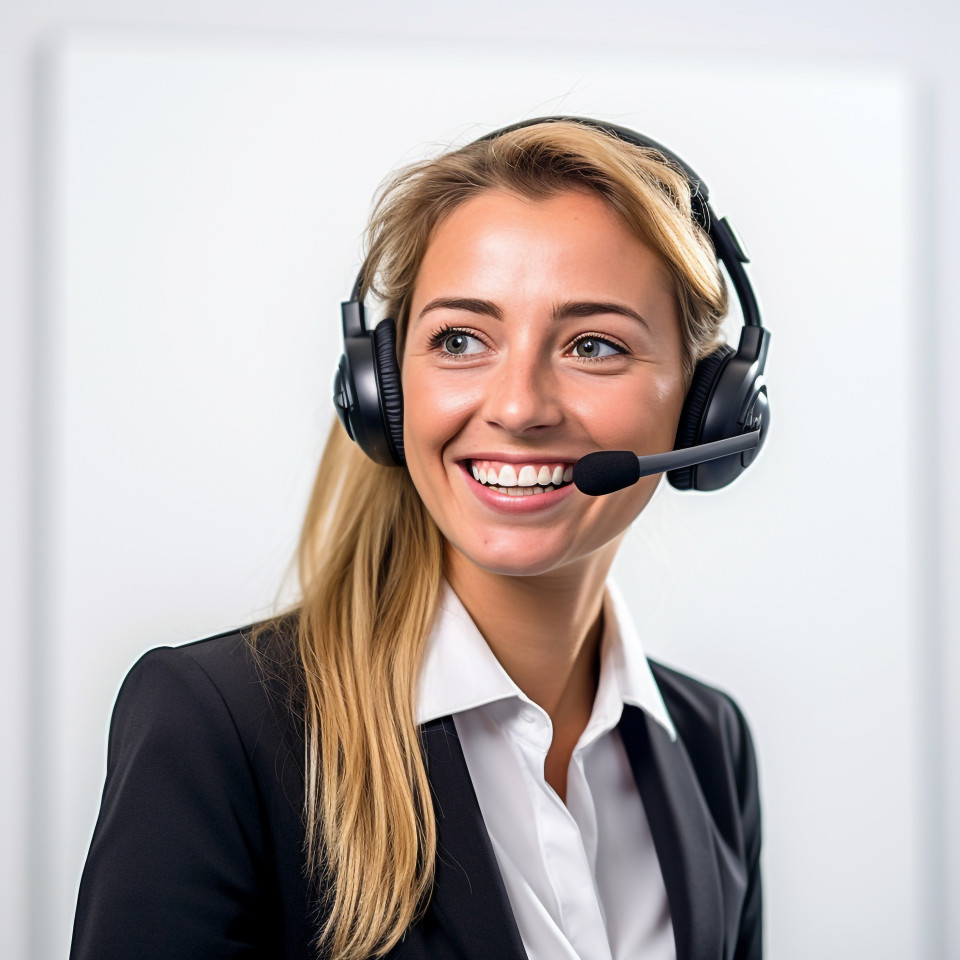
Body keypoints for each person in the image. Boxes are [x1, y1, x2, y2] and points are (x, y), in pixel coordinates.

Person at [70, 117, 764, 960]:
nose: (517, 407)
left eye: (592, 345)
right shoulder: (219, 731)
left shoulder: (709, 744)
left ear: (708, 404)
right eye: (461, 339)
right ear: (383, 390)